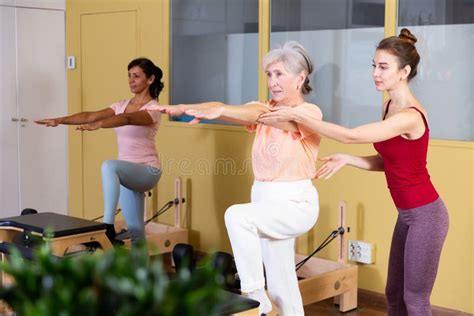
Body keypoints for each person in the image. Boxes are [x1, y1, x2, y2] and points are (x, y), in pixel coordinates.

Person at [259, 29, 449, 316]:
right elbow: (391, 163)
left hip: (427, 216)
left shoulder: (409, 116)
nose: (375, 72)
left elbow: (351, 135)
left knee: (415, 299)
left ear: (404, 71)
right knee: (393, 294)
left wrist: (299, 115)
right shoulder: (389, 106)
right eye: (374, 65)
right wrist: (348, 159)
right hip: (408, 215)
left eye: (383, 67)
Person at [157, 42, 321, 315]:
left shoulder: (309, 113)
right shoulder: (263, 107)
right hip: (264, 200)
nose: (272, 81)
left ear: (300, 77)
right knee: (282, 282)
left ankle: (255, 292)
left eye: (279, 74)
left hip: (294, 205)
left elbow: (263, 117)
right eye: (269, 74)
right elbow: (225, 107)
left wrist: (220, 112)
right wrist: (186, 107)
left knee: (237, 216)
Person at [35, 57, 164, 251]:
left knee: (109, 166)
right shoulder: (120, 104)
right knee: (137, 232)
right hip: (127, 173)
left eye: (136, 76)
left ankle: (107, 225)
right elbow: (90, 116)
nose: (131, 80)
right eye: (129, 76)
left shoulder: (154, 108)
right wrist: (59, 120)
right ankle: (143, 278)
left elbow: (127, 119)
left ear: (150, 79)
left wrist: (100, 125)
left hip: (147, 171)